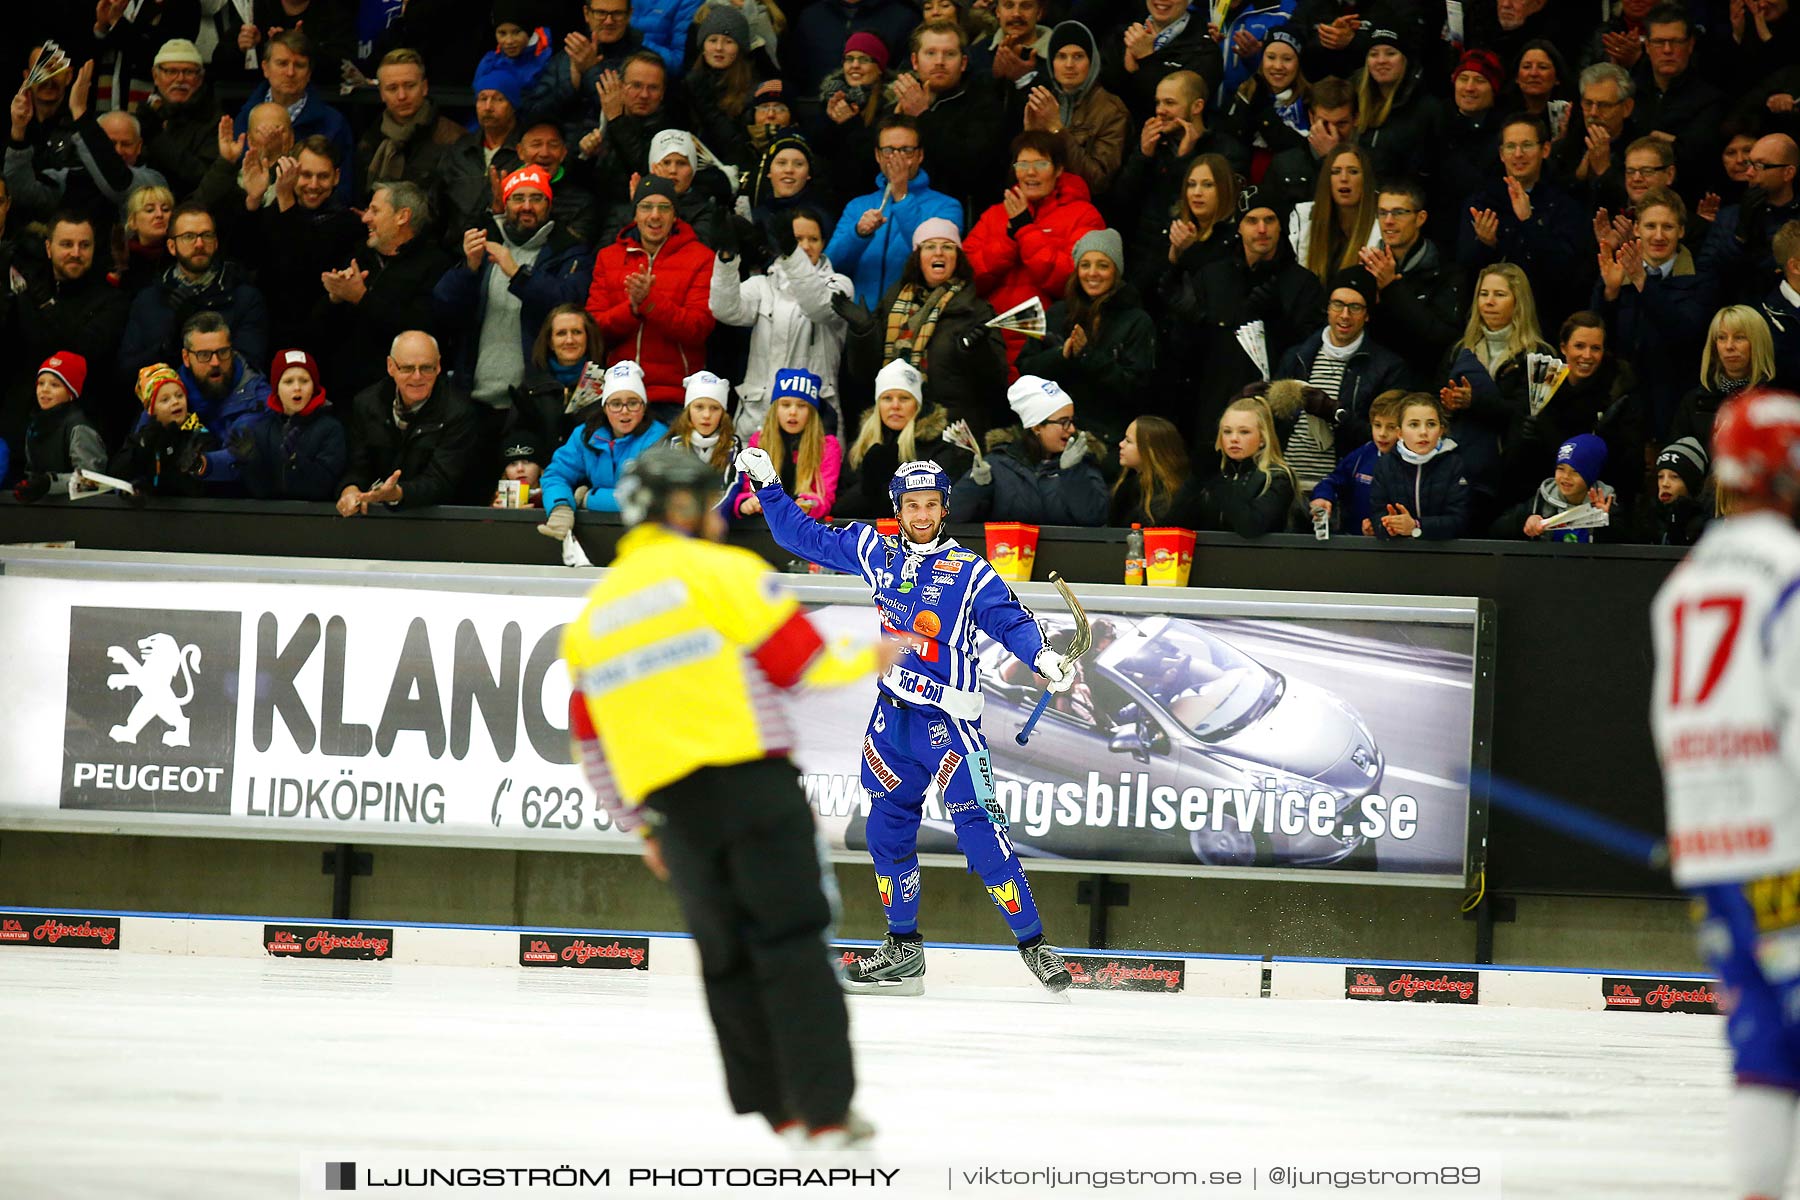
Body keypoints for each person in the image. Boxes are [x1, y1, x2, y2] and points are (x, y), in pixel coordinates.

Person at [561, 445, 883, 1147]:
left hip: (674, 811)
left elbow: (591, 742)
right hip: (753, 787)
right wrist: (877, 656)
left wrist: (642, 827)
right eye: (702, 500)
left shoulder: (595, 617)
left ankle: (780, 1113)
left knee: (726, 955)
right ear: (680, 507)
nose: (712, 513)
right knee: (791, 940)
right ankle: (826, 1113)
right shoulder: (727, 571)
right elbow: (802, 665)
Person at [731, 443, 1077, 996]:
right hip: (891, 722)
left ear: (945, 508)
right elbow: (804, 537)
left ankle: (1035, 946)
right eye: (911, 505)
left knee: (982, 837)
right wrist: (770, 486)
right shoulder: (874, 550)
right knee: (885, 832)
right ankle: (903, 949)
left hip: (950, 729)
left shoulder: (972, 571)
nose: (921, 515)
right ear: (898, 507)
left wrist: (1043, 658)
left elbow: (1012, 621)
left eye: (931, 505)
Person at [1648, 390, 1800, 1200]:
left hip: (1714, 849)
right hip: (1786, 845)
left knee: (1762, 1044)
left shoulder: (1687, 577)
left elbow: (1674, 715)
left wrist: (1693, 818)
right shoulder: (1792, 571)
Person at [433, 165, 595, 432]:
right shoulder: (484, 248)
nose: (527, 206)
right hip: (472, 399)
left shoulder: (570, 252)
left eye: (536, 198)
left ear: (549, 204)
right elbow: (443, 310)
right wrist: (467, 271)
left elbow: (567, 304)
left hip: (533, 401)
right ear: (505, 204)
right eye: (518, 198)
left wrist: (517, 274)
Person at [837, 218, 1009, 438]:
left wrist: (976, 352)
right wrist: (863, 332)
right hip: (894, 427)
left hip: (952, 433)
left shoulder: (977, 310)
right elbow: (863, 375)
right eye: (929, 246)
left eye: (947, 247)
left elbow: (996, 383)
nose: (939, 253)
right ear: (918, 257)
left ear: (958, 258)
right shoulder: (892, 302)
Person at [964, 130, 1105, 373]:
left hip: (1047, 345)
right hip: (991, 342)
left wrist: (1025, 231)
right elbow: (967, 277)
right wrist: (1008, 241)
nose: (1030, 173)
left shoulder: (1084, 215)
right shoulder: (994, 215)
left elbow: (1071, 280)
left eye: (1041, 164)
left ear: (1059, 169)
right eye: (1023, 164)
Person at [585, 176, 715, 425]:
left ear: (675, 215)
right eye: (646, 207)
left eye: (664, 207)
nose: (655, 215)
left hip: (674, 396)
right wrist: (632, 309)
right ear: (635, 214)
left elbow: (698, 327)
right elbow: (594, 329)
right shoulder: (608, 257)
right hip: (620, 394)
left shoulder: (701, 258)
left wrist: (649, 302)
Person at [711, 208, 851, 439]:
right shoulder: (762, 286)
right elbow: (725, 310)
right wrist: (726, 258)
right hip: (758, 420)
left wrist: (791, 255)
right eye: (797, 240)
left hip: (814, 423)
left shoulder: (839, 284)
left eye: (813, 239)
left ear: (824, 243)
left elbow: (817, 306)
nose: (805, 247)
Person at [1596, 185, 1713, 438]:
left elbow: (1685, 333)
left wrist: (1643, 283)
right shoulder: (1617, 272)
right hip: (1622, 405)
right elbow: (1597, 337)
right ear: (1636, 229)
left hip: (1673, 407)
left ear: (1681, 231)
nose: (1658, 235)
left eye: (1668, 227)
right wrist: (1610, 293)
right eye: (1650, 226)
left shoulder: (1699, 279)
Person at [1016, 227, 1155, 440]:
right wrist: (1062, 355)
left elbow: (1137, 390)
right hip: (1050, 433)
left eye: (1103, 265)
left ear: (1116, 272)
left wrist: (1088, 355)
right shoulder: (1056, 313)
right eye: (1085, 265)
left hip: (1106, 437)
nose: (1092, 273)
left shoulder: (1136, 321)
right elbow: (1026, 369)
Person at [320, 181, 452, 401]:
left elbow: (421, 329)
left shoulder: (435, 265)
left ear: (402, 216)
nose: (365, 218)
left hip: (399, 397)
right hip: (343, 393)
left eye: (375, 210)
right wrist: (334, 298)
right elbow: (320, 329)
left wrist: (361, 299)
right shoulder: (359, 256)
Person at [1458, 112, 1590, 331]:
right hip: (1489, 323)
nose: (1518, 154)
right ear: (1501, 154)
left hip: (1546, 320)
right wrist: (1486, 244)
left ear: (1545, 150)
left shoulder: (1564, 204)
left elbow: (1565, 270)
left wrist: (1529, 222)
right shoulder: (1481, 202)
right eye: (1510, 147)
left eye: (1527, 145)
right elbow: (1465, 268)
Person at [9, 211, 132, 446]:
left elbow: (87, 350)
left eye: (84, 245)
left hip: (81, 431)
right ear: (48, 248)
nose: (76, 253)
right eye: (66, 244)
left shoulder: (113, 300)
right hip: (21, 426)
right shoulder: (26, 294)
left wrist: (47, 306)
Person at [1440, 262, 1553, 515]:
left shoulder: (1540, 355)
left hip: (1513, 475)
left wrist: (1475, 402)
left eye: (1499, 295)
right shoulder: (1459, 350)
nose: (1489, 302)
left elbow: (1528, 414)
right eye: (1484, 294)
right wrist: (1447, 406)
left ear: (1518, 302)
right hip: (1463, 472)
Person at [824, 115, 964, 311]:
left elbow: (933, 256)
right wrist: (858, 234)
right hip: (861, 323)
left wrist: (901, 195)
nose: (896, 158)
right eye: (889, 150)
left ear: (919, 155)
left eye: (906, 150)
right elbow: (829, 266)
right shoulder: (858, 206)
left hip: (916, 320)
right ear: (877, 155)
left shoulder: (946, 206)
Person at [1273, 267, 1408, 468]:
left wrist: (1336, 414)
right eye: (1338, 304)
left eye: (1355, 307)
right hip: (1288, 478)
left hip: (1342, 483)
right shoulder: (1296, 357)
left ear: (1367, 315)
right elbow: (1274, 422)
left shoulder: (1388, 367)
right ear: (1327, 308)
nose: (1345, 315)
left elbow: (1387, 436)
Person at [118, 204, 269, 380]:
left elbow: (250, 366)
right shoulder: (149, 299)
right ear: (172, 246)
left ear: (216, 243)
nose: (199, 244)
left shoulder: (245, 298)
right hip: (165, 404)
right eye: (189, 236)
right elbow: (127, 371)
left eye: (206, 235)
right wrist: (168, 346)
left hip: (227, 405)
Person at [336, 331, 479, 517]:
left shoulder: (458, 412)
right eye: (407, 368)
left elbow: (442, 481)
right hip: (374, 520)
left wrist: (397, 494)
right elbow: (357, 466)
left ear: (439, 366)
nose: (417, 377)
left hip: (439, 522)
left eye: (427, 368)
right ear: (390, 366)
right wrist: (350, 490)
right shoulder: (366, 404)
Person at [355, 48, 484, 242]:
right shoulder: (370, 138)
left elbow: (461, 213)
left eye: (409, 86)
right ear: (381, 93)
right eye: (392, 88)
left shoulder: (454, 139)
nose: (401, 96)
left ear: (424, 87)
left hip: (432, 248)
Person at [950, 375, 1106, 525]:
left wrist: (1073, 473)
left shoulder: (1082, 461)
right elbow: (952, 516)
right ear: (1037, 427)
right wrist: (977, 487)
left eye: (1072, 421)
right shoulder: (998, 464)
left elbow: (1095, 517)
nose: (1071, 429)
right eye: (1063, 422)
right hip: (1008, 551)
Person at [539, 359, 671, 533]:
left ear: (644, 406)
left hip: (645, 532)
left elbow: (650, 497)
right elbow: (556, 474)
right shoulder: (586, 435)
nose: (624, 411)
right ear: (605, 407)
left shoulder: (659, 438)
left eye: (632, 403)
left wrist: (589, 498)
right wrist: (560, 506)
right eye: (616, 404)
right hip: (596, 532)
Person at [229, 29, 355, 205]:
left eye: (299, 65)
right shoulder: (244, 117)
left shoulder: (333, 123)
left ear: (309, 72)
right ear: (265, 68)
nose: (290, 72)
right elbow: (231, 189)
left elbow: (343, 192)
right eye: (282, 63)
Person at [1361, 179, 1464, 389]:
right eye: (1382, 213)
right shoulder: (1365, 268)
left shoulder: (1447, 271)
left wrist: (1391, 288)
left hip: (1423, 385)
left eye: (1399, 213)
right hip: (1373, 384)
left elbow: (1441, 339)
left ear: (1420, 218)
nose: (1388, 221)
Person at [835, 358, 969, 518]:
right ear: (878, 404)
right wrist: (868, 485)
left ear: (917, 405)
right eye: (887, 398)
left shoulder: (938, 450)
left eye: (904, 398)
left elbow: (940, 510)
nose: (895, 405)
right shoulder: (859, 449)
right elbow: (839, 511)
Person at [896, 21, 1008, 210]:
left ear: (963, 62)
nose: (940, 61)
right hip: (899, 209)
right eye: (931, 53)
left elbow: (971, 167)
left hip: (958, 217)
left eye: (949, 54)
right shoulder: (898, 105)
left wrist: (923, 116)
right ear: (915, 61)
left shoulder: (984, 104)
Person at [1019, 21, 1130, 199]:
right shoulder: (1043, 101)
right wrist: (1031, 135)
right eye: (1061, 56)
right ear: (1052, 63)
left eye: (1078, 56)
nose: (1069, 65)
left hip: (1087, 208)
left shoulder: (1111, 110)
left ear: (1092, 61)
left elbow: (1098, 181)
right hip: (1043, 204)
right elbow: (1021, 175)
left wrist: (1057, 129)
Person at [730, 369, 841, 520]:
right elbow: (746, 490)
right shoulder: (759, 441)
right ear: (775, 409)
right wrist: (745, 503)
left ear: (812, 412)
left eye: (802, 406)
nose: (793, 412)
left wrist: (807, 505)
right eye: (785, 404)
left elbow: (825, 498)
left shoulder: (827, 446)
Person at [239, 347, 347, 502]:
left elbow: (325, 486)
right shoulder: (262, 430)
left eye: (304, 380)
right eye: (288, 381)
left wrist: (296, 461)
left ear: (314, 387)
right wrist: (250, 462)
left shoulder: (330, 428)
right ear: (277, 388)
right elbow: (259, 492)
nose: (297, 387)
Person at [1671, 306, 1780, 457]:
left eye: (1739, 337)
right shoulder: (1694, 401)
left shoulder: (1778, 401)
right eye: (1721, 338)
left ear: (1758, 343)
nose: (1729, 346)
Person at [1367, 392, 1471, 541]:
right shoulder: (1385, 465)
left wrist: (1416, 526)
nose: (1423, 432)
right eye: (1414, 424)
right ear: (1400, 433)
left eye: (1431, 424)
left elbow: (1460, 520)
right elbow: (1377, 514)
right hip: (1397, 556)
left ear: (1441, 430)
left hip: (1446, 556)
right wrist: (1389, 526)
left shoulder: (1455, 465)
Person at [1100, 0, 1225, 121]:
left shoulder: (1205, 50)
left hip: (1173, 139)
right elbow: (1104, 94)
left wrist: (1147, 59)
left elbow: (1182, 110)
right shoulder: (1122, 34)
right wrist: (1127, 68)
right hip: (1116, 135)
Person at [1217, 24, 1311, 183]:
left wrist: (1262, 110)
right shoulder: (1245, 93)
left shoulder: (1309, 100)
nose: (1278, 66)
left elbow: (1295, 149)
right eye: (1271, 57)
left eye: (1287, 59)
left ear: (1299, 62)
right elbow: (1231, 144)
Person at [110, 363, 220, 498]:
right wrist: (143, 448)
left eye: (179, 395)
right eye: (165, 400)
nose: (175, 402)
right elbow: (117, 473)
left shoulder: (200, 436)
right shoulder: (143, 437)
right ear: (151, 410)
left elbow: (197, 487)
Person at [1194, 395, 1296, 537]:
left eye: (1244, 432)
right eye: (1227, 431)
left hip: (1261, 557)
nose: (1234, 439)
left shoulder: (1277, 477)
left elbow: (1251, 527)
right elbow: (1172, 523)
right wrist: (1195, 476)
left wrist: (1216, 480)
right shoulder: (1214, 470)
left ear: (1262, 439)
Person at [1428, 49, 1503, 240]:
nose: (1469, 87)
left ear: (1494, 89)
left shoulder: (1505, 133)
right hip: (1436, 229)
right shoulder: (1434, 121)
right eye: (1463, 79)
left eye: (1480, 80)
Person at [10, 353, 104, 503]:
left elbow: (92, 480)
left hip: (79, 513)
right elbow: (32, 473)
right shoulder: (35, 424)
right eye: (41, 383)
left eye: (55, 385)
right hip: (45, 510)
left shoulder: (79, 427)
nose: (44, 390)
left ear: (71, 392)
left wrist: (49, 483)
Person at [1492, 432, 1617, 543]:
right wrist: (1525, 521)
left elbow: (1628, 542)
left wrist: (1605, 520)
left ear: (1590, 476)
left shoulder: (1605, 503)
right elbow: (1496, 530)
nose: (1566, 477)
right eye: (1561, 469)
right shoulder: (1542, 500)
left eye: (1575, 472)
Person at [1352, 28, 1440, 185]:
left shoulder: (1426, 109)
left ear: (1405, 60)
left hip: (1401, 203)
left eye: (1390, 53)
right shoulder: (1355, 100)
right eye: (1373, 54)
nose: (1381, 60)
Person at [136, 39, 222, 202]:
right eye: (171, 71)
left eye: (189, 72)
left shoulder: (215, 120)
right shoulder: (144, 116)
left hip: (191, 207)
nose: (180, 79)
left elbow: (204, 176)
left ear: (200, 77)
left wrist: (157, 139)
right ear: (155, 75)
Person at [1311, 387, 1405, 535]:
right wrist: (1323, 496)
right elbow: (1333, 480)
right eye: (1377, 425)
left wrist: (1384, 528)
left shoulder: (1414, 462)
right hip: (1356, 543)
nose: (1382, 434)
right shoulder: (1364, 454)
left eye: (1391, 427)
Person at [515, 304, 606, 448]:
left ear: (588, 338)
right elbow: (518, 440)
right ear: (550, 342)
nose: (569, 340)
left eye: (576, 332)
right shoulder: (529, 390)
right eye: (561, 333)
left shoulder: (607, 385)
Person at [1291, 143, 1380, 284]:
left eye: (1353, 171)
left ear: (1366, 180)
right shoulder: (1305, 221)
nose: (1344, 178)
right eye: (1336, 172)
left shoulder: (1381, 227)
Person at [666, 368, 743, 503]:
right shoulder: (673, 444)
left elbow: (732, 487)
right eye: (699, 407)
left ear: (723, 413)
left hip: (718, 521)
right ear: (688, 411)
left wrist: (709, 519)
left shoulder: (732, 445)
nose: (706, 415)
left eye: (714, 408)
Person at [1110, 413, 1200, 527]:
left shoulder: (1168, 495)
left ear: (1149, 449)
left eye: (1128, 441)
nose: (1121, 444)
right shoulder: (1127, 487)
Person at [1633, 434, 1708, 546]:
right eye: (1660, 476)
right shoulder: (1646, 517)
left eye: (1674, 477)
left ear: (1691, 483)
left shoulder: (1706, 526)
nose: (1665, 484)